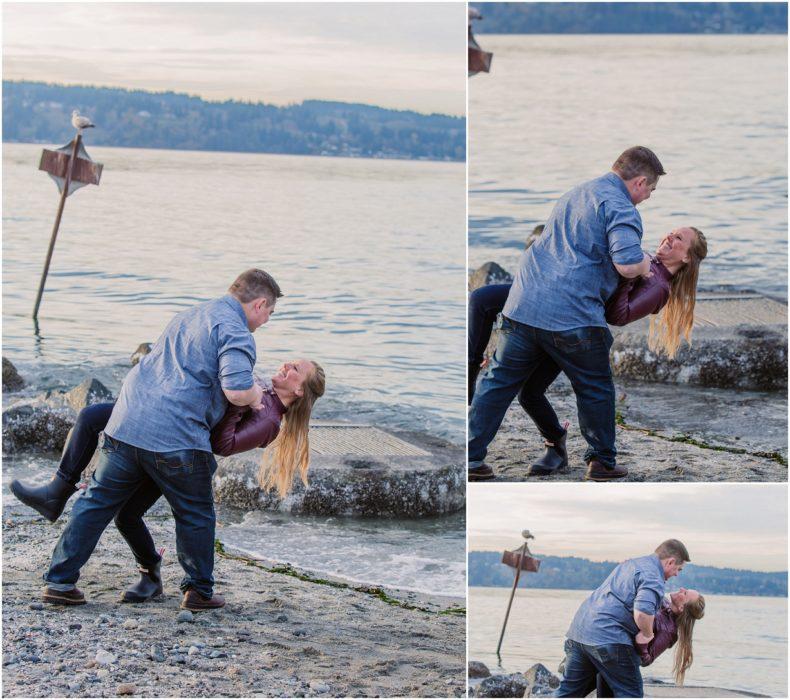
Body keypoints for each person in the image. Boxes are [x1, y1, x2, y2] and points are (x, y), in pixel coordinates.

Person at [39, 269, 280, 611]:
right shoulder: (236, 331)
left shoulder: (189, 315)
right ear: (259, 304)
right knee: (195, 512)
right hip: (177, 436)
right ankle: (199, 591)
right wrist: (257, 396)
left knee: (95, 503)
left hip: (127, 422)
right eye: (269, 313)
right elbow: (237, 388)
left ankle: (59, 582)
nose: (266, 321)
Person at [12, 360, 325, 604]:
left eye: (295, 369)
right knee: (95, 421)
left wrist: (240, 402)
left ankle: (173, 581)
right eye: (290, 362)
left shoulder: (269, 420)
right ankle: (147, 571)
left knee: (134, 514)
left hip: (185, 453)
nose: (286, 366)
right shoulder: (261, 391)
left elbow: (223, 444)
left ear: (299, 391)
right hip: (163, 426)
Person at [468, 146, 666, 483]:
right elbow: (628, 263)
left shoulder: (577, 193)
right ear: (640, 181)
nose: (647, 197)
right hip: (573, 316)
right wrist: (646, 264)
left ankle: (471, 459)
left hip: (524, 305)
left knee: (497, 383)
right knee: (595, 388)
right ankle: (602, 462)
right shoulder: (620, 206)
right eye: (650, 190)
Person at [468, 226, 707, 477]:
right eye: (670, 232)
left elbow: (618, 314)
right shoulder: (647, 262)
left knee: (529, 393)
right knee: (483, 300)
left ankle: (559, 445)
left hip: (575, 322)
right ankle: (472, 375)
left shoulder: (658, 286)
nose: (669, 236)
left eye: (678, 238)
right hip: (554, 296)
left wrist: (631, 275)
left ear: (687, 257)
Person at [556, 539, 691, 698]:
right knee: (630, 694)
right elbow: (642, 612)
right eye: (679, 569)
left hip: (579, 633)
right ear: (671, 562)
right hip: (608, 638)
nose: (676, 574)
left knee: (568, 693)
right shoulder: (654, 577)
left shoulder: (630, 564)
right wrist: (647, 634)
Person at [595, 587, 706, 697]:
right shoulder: (664, 602)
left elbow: (647, 660)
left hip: (622, 663)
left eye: (685, 593)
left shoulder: (668, 631)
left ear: (681, 607)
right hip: (608, 647)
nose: (682, 589)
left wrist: (641, 644)